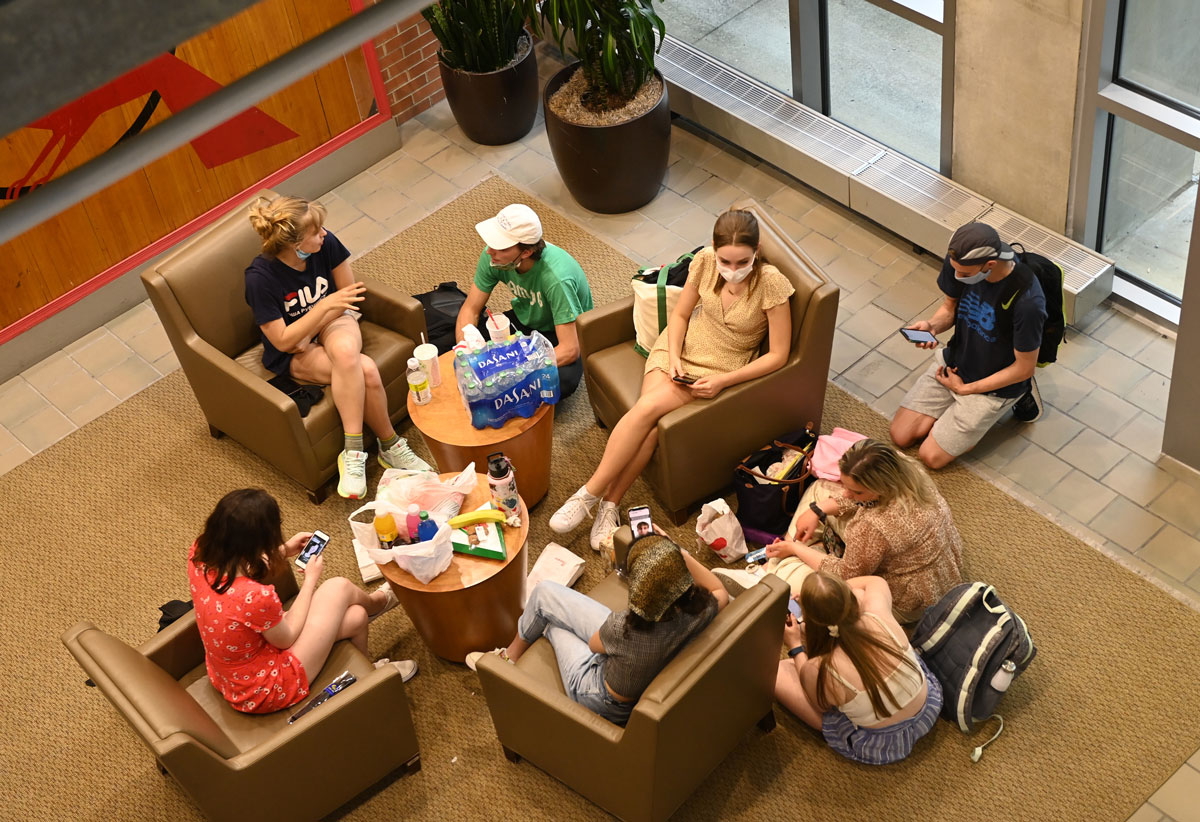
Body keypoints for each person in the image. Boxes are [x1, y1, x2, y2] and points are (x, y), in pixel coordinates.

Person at [549, 209, 794, 549]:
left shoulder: (772, 284)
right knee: (650, 419)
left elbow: (778, 355)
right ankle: (602, 502)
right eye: (727, 260)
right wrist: (674, 356)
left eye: (743, 262)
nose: (733, 270)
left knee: (648, 415)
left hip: (719, 367)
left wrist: (725, 381)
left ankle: (593, 497)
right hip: (677, 349)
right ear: (713, 247)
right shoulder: (706, 261)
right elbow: (680, 314)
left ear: (757, 250)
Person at [245, 195, 431, 500]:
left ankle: (353, 449)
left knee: (346, 354)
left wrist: (313, 324)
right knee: (366, 368)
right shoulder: (259, 279)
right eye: (316, 232)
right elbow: (281, 341)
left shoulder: (327, 244)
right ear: (295, 243)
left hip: (331, 322)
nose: (324, 234)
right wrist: (322, 309)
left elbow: (349, 294)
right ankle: (389, 445)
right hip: (291, 350)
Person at [188, 488, 415, 715]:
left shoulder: (199, 553)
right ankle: (382, 600)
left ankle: (368, 675)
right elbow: (286, 638)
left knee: (357, 617)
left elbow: (240, 566)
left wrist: (283, 550)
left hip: (233, 671)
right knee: (338, 587)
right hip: (265, 688)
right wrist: (310, 579)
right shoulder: (254, 596)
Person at [465, 535, 728, 725]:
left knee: (550, 620)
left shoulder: (625, 629)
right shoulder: (699, 610)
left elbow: (595, 645)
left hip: (600, 696)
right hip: (642, 667)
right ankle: (512, 655)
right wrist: (677, 554)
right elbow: (720, 590)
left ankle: (507, 661)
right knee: (545, 593)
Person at [742, 439, 963, 623]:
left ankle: (774, 567)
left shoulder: (873, 526)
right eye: (845, 484)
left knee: (795, 576)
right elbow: (855, 500)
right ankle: (787, 555)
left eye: (855, 491)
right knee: (821, 490)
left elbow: (847, 575)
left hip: (904, 602)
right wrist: (817, 510)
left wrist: (794, 548)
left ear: (880, 487)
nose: (846, 494)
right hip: (936, 574)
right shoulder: (906, 469)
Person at [890, 222, 1047, 469]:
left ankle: (1021, 394)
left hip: (994, 385)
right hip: (956, 362)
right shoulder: (959, 262)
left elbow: (1024, 368)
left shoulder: (1028, 303)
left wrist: (966, 390)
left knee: (931, 457)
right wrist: (932, 326)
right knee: (901, 435)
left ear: (990, 265)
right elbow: (949, 308)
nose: (956, 277)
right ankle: (953, 419)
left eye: (963, 274)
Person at [775, 573, 942, 765]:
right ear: (850, 599)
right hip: (928, 706)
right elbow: (875, 581)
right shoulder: (878, 613)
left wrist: (795, 645)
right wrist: (834, 595)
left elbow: (819, 705)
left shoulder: (819, 668)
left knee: (780, 672)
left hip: (885, 742)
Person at [455, 204, 593, 399]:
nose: (489, 251)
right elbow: (471, 308)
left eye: (499, 246)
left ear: (526, 252)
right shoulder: (494, 256)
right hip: (526, 317)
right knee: (465, 340)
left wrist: (514, 369)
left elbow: (570, 348)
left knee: (563, 380)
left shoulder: (557, 279)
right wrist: (465, 351)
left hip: (560, 331)